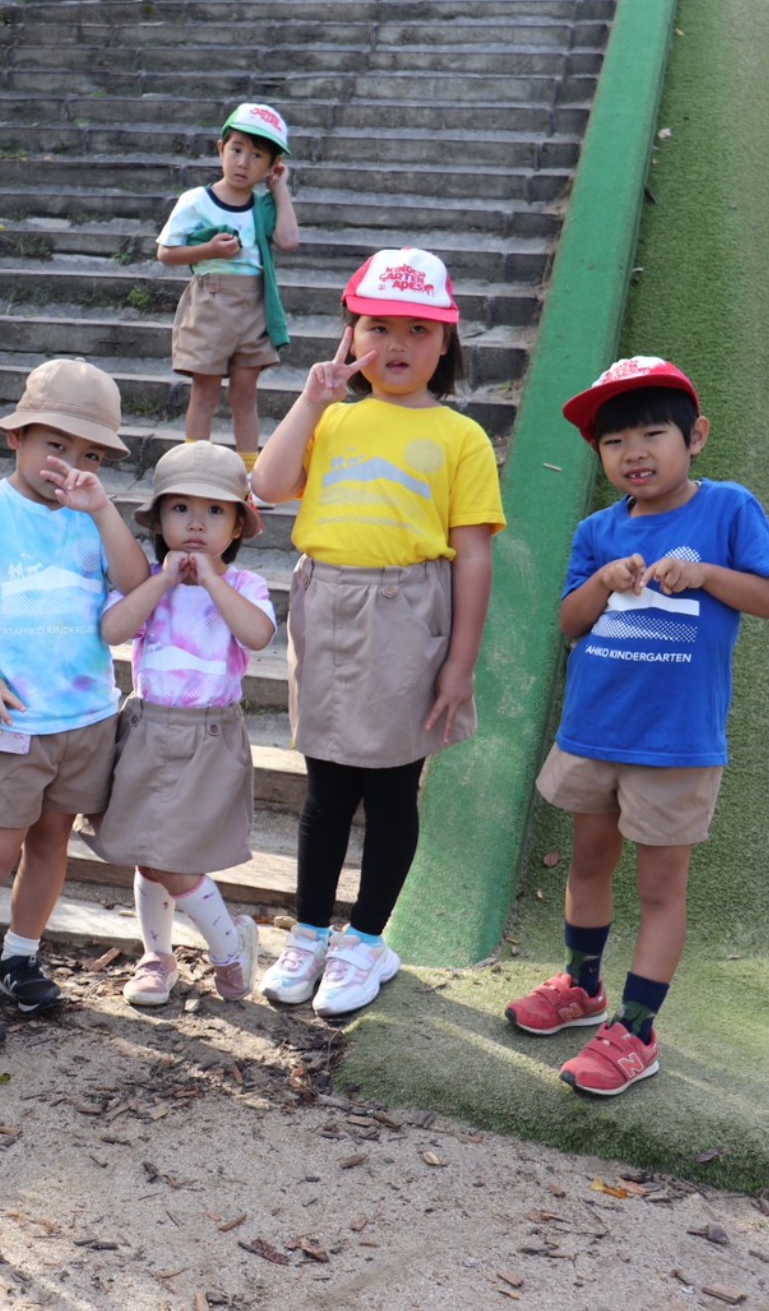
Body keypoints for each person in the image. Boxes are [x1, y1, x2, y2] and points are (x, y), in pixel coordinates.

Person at [505, 357, 769, 1096]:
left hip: (675, 742)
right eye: (614, 442)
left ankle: (636, 1027)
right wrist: (602, 581)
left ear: (694, 436)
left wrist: (704, 576)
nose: (633, 452)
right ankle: (582, 986)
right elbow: (570, 624)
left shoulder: (728, 508)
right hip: (594, 731)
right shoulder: (598, 529)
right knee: (589, 865)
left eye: (652, 433)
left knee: (663, 890)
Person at [249, 248, 506, 1017]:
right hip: (325, 601)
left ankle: (365, 941)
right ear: (351, 333)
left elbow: (474, 554)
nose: (395, 345)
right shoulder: (333, 416)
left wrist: (460, 660)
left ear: (445, 344)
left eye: (417, 331)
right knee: (326, 785)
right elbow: (266, 485)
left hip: (407, 609)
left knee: (392, 785)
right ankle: (310, 934)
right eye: (377, 326)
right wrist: (310, 401)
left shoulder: (460, 436)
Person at [0, 359, 151, 1053]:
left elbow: (135, 586)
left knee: (51, 843)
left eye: (90, 454)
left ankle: (19, 955)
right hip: (13, 722)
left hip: (87, 720)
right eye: (56, 445)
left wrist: (102, 508)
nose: (69, 465)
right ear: (15, 438)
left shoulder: (88, 520)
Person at [80, 441, 277, 1007]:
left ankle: (228, 947)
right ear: (160, 520)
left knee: (175, 859)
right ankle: (156, 957)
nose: (196, 524)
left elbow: (258, 636)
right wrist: (161, 582)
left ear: (238, 525)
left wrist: (212, 580)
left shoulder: (243, 587)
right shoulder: (149, 582)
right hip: (146, 728)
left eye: (215, 511)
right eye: (181, 509)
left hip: (210, 736)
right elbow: (114, 630)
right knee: (147, 852)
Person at [156, 103, 301, 476]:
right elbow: (166, 252)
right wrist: (210, 250)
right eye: (236, 150)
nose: (243, 162)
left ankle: (248, 474)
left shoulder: (263, 205)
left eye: (257, 156)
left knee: (245, 393)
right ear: (221, 149)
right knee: (204, 391)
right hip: (211, 299)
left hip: (254, 302)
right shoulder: (196, 201)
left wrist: (280, 191)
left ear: (271, 166)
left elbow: (288, 240)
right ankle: (193, 470)